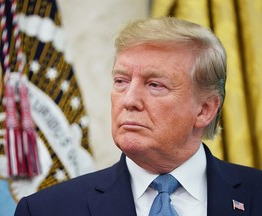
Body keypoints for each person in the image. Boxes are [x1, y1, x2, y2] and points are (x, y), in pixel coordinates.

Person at [14, 16, 262, 216]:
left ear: (205, 109)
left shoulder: (255, 195)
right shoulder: (45, 210)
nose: (129, 100)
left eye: (155, 85)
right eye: (121, 81)